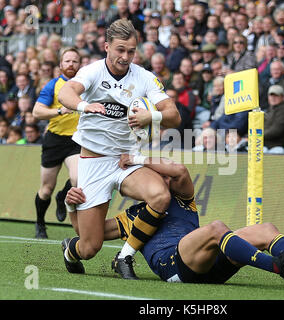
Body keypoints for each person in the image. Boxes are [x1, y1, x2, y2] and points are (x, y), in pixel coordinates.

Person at [63, 155, 284, 290]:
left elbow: (180, 170)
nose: (163, 179)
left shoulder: (183, 198)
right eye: (156, 176)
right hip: (174, 268)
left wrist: (138, 159)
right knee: (216, 228)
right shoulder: (133, 217)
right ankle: (279, 267)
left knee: (266, 229)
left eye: (162, 175)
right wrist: (72, 205)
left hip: (206, 259)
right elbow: (90, 235)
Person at [57, 19, 181, 280]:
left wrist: (152, 117)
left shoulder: (145, 77)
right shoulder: (92, 72)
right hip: (93, 163)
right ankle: (71, 250)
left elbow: (174, 115)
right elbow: (66, 92)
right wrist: (83, 106)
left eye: (131, 51)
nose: (125, 57)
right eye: (120, 50)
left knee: (160, 196)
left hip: (126, 160)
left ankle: (124, 257)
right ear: (106, 47)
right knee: (89, 246)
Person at [32, 47, 82, 238]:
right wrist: (59, 111)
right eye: (67, 61)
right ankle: (40, 223)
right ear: (61, 65)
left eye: (75, 61)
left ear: (80, 64)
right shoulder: (53, 85)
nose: (71, 64)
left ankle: (63, 197)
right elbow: (37, 112)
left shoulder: (88, 85)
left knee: (78, 179)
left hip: (76, 140)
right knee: (46, 190)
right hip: (54, 140)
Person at [264, 85, 284, 149]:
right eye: (271, 95)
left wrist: (257, 136)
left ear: (283, 97)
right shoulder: (270, 109)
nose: (273, 98)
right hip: (263, 143)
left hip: (275, 145)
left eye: (276, 95)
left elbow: (276, 131)